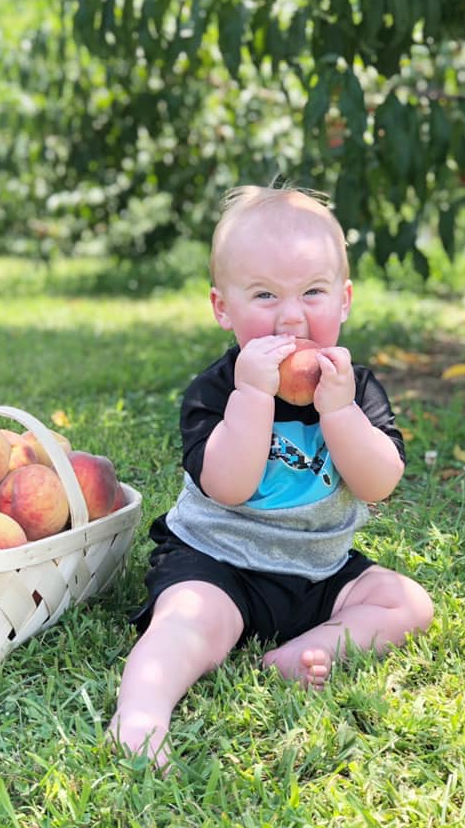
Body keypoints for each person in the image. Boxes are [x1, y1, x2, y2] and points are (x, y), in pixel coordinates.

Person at [108, 184, 434, 769]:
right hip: (220, 562)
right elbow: (228, 485)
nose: (291, 315)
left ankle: (304, 649)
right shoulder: (216, 389)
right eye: (264, 295)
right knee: (188, 623)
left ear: (344, 300)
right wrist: (253, 395)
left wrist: (338, 411)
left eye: (312, 291)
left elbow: (379, 482)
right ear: (221, 308)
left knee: (405, 602)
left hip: (319, 570)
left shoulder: (352, 388)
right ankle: (141, 713)